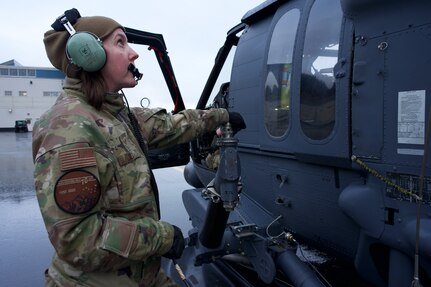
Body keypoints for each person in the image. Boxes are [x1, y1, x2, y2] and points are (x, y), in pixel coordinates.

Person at [32, 8, 246, 287]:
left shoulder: (114, 114)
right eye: (120, 42)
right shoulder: (70, 128)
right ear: (89, 55)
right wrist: (162, 238)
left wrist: (223, 116)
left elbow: (172, 125)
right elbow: (79, 240)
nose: (133, 54)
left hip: (140, 273)